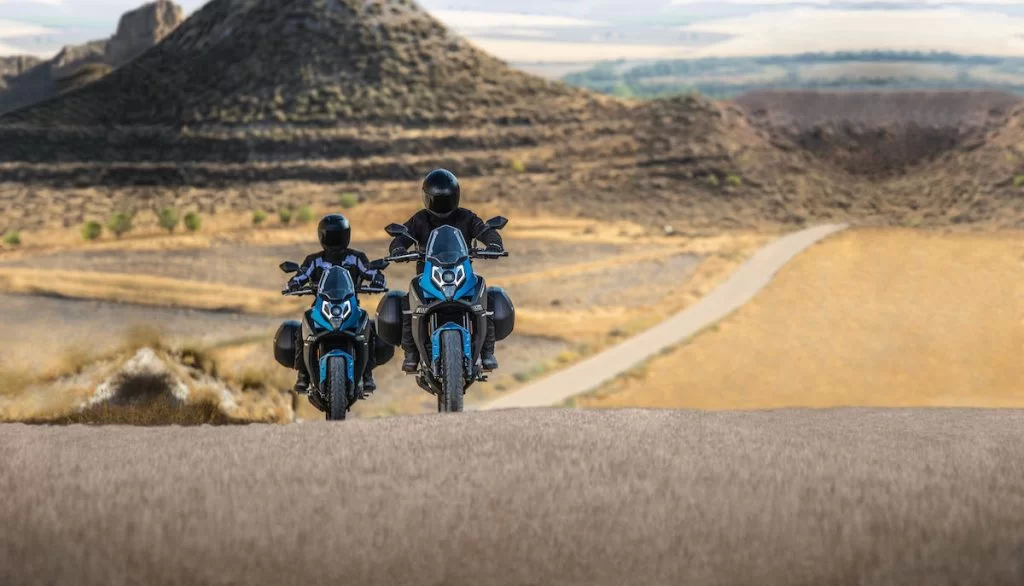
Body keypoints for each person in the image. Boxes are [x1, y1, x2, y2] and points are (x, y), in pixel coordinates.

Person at [388, 169, 504, 373]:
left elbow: (484, 230)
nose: (441, 203)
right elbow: (403, 236)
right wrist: (398, 248)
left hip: (462, 275)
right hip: (427, 279)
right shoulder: (420, 220)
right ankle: (412, 354)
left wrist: (494, 244)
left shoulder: (466, 217)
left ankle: (487, 352)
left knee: (487, 295)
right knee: (407, 301)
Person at [286, 214, 385, 395]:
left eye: (337, 235)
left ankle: (367, 374)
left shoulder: (356, 258)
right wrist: (293, 283)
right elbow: (301, 275)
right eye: (330, 235)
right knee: (303, 327)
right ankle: (303, 375)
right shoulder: (314, 260)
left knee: (368, 325)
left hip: (350, 308)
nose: (334, 239)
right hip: (321, 309)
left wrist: (378, 278)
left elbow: (368, 271)